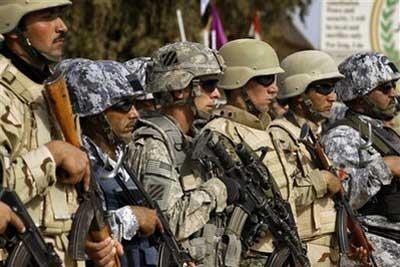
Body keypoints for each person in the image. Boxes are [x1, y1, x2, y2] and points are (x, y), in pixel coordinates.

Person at [126, 42, 240, 266]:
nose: (217, 94)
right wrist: (219, 189)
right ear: (180, 89)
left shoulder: (192, 138)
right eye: (208, 85)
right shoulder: (154, 144)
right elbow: (168, 221)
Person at [0, 1, 90, 266]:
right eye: (48, 17)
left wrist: (96, 243)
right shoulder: (4, 94)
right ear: (14, 27)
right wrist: (53, 155)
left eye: (60, 16)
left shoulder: (52, 91)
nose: (62, 27)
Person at [202, 38, 301, 267]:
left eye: (274, 79)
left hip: (283, 250)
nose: (274, 88)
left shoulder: (268, 131)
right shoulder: (219, 133)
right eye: (265, 79)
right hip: (246, 256)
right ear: (239, 82)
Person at [59, 59, 162, 267]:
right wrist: (130, 218)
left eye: (134, 103)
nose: (135, 113)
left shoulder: (122, 158)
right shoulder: (77, 165)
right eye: (123, 105)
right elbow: (71, 237)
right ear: (95, 113)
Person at [269, 50, 368, 266]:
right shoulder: (280, 135)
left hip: (327, 251)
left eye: (332, 87)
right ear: (299, 93)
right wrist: (323, 180)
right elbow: (279, 200)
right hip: (301, 253)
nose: (332, 96)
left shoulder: (312, 135)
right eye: (324, 88)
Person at [322, 52, 400, 266]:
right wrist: (385, 167)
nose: (393, 93)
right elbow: (342, 198)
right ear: (360, 95)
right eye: (385, 88)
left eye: (393, 85)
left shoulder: (381, 132)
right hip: (378, 246)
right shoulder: (343, 136)